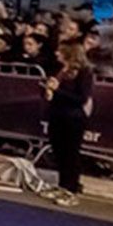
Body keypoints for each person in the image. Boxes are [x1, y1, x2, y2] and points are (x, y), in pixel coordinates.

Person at [43, 40, 94, 207]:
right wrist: (49, 91)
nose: (56, 54)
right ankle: (62, 185)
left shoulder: (84, 72)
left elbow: (81, 98)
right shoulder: (60, 70)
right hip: (57, 115)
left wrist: (57, 90)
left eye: (60, 51)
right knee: (58, 152)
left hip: (73, 118)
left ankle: (72, 190)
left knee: (70, 154)